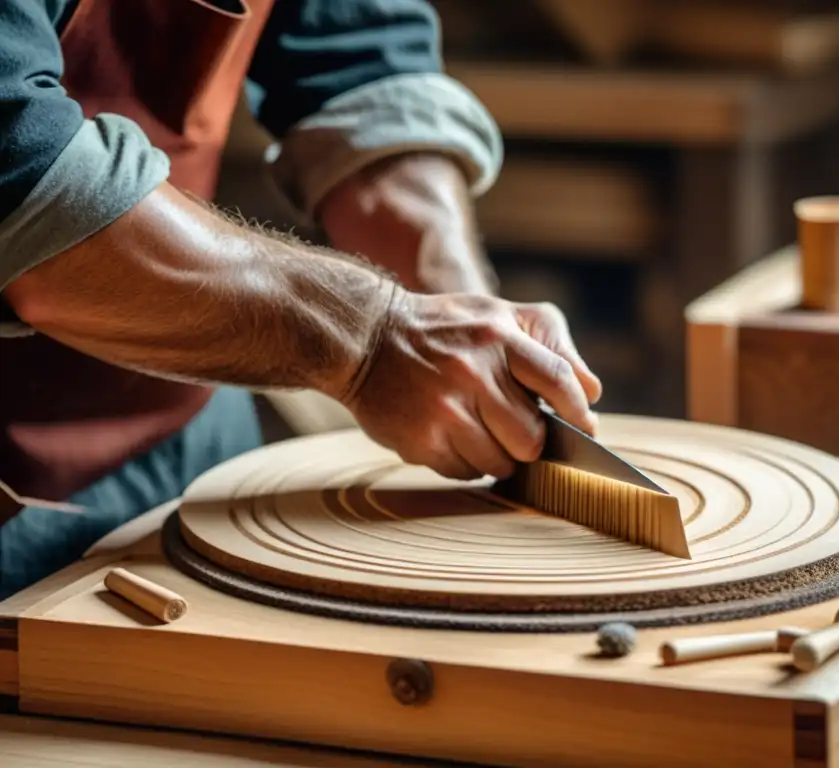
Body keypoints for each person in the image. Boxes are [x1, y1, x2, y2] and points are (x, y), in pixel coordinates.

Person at [0, 0, 602, 600]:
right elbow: (21, 169)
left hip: (185, 436)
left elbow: (360, 52)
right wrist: (371, 339)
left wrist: (460, 317)